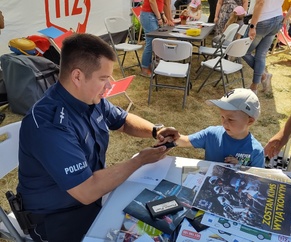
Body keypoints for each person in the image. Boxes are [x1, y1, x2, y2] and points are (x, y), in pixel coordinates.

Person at [16, 33, 179, 242]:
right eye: (103, 78)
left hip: (91, 201)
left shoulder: (90, 98)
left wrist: (156, 130)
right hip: (56, 218)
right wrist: (139, 160)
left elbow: (123, 120)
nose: (109, 86)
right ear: (77, 76)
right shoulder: (48, 123)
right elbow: (86, 189)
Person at [173, 88, 265, 167]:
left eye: (231, 119)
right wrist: (172, 137)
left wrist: (240, 168)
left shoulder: (256, 151)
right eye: (222, 117)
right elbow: (185, 141)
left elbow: (257, 179)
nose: (224, 123)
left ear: (250, 121)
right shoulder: (211, 134)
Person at [242, 0, 284, 94]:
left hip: (262, 20)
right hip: (277, 17)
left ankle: (263, 77)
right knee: (261, 55)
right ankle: (255, 86)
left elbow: (260, 3)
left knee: (243, 51)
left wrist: (253, 26)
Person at [140, 0, 174, 77]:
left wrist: (162, 14)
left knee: (156, 43)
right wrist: (159, 18)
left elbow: (160, 3)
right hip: (149, 15)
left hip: (154, 14)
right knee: (151, 43)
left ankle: (152, 64)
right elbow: (152, 1)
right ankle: (145, 69)